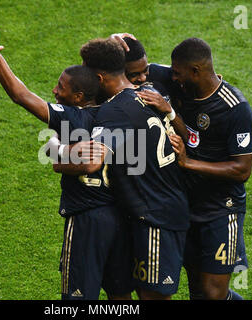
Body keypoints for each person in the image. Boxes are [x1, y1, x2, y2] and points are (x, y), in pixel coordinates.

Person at [0, 9, 133, 300]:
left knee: (76, 298)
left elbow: (21, 95)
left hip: (86, 219)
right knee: (121, 297)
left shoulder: (73, 118)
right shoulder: (120, 111)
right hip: (119, 217)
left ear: (78, 98)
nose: (54, 90)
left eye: (61, 88)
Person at [70, 37, 190, 300]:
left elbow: (93, 161)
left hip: (158, 216)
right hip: (149, 210)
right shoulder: (147, 95)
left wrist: (56, 157)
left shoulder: (115, 112)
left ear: (99, 78)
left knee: (152, 297)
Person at [146, 37, 252, 300]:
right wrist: (120, 41)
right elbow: (140, 65)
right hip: (187, 206)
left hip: (221, 209)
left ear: (195, 71)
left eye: (177, 73)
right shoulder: (183, 82)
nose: (173, 78)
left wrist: (188, 163)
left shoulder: (235, 109)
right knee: (197, 288)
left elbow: (242, 170)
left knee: (212, 293)